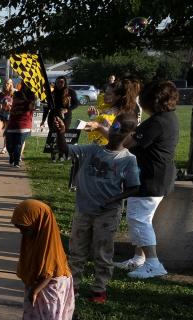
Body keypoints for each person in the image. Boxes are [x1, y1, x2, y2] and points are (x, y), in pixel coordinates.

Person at [55, 114, 140, 303]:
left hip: (107, 214)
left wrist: (114, 199)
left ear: (131, 135)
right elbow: (65, 149)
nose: (116, 134)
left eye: (122, 131)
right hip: (84, 210)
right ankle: (73, 286)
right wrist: (61, 133)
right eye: (114, 129)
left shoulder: (128, 160)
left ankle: (99, 289)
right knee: (77, 251)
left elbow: (134, 186)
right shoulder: (92, 150)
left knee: (102, 252)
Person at [7, 200, 75, 320]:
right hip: (37, 281)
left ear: (38, 222)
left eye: (25, 228)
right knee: (30, 311)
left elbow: (51, 270)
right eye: (19, 227)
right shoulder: (33, 235)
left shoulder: (48, 239)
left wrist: (37, 289)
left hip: (52, 285)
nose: (22, 232)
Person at [123, 80, 181, 279]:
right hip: (159, 176)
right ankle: (139, 258)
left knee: (139, 219)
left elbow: (128, 143)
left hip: (150, 178)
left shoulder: (156, 122)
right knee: (143, 219)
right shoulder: (168, 118)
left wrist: (116, 132)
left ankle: (153, 263)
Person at [46, 77, 77, 162]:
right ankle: (53, 154)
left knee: (62, 134)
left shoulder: (70, 92)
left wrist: (68, 109)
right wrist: (43, 119)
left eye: (61, 82)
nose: (59, 84)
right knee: (53, 134)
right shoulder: (52, 93)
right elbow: (47, 107)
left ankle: (61, 154)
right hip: (53, 115)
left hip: (65, 116)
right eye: (58, 82)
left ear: (65, 83)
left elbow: (76, 103)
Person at [4, 89, 36, 168]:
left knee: (18, 145)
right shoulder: (14, 105)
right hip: (12, 126)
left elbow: (32, 106)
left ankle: (16, 162)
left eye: (16, 97)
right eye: (14, 97)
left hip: (23, 126)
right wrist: (6, 128)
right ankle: (11, 155)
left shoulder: (28, 102)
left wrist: (32, 99)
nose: (14, 99)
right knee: (9, 146)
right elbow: (11, 116)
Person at [0, 79, 15, 153]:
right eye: (5, 83)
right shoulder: (1, 94)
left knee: (6, 132)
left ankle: (4, 147)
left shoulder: (13, 94)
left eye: (8, 83)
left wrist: (9, 106)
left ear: (11, 84)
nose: (6, 85)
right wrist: (0, 106)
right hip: (1, 114)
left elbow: (15, 105)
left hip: (9, 114)